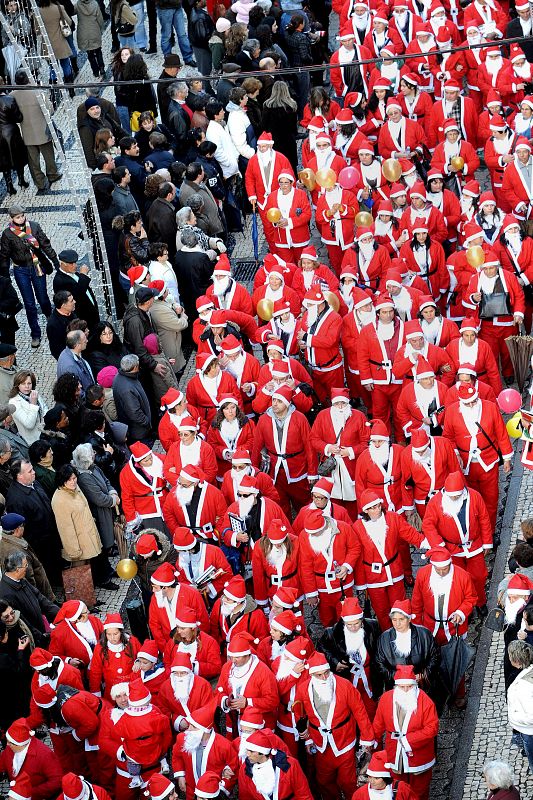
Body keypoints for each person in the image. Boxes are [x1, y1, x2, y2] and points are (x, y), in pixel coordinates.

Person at [373, 665, 439, 800]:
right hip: (394, 753)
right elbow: (378, 724)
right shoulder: (386, 699)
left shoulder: (425, 701)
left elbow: (432, 728)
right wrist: (373, 742)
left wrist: (409, 740)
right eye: (402, 687)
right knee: (397, 788)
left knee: (419, 791)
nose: (406, 690)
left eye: (409, 687)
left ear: (415, 685)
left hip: (419, 754)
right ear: (396, 687)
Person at [0, 205, 57, 349]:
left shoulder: (34, 227)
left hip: (37, 266)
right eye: (18, 217)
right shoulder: (8, 234)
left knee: (43, 298)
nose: (21, 218)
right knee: (29, 303)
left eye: (22, 215)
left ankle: (50, 318)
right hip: (21, 270)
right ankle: (35, 333)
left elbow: (45, 245)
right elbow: (4, 256)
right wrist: (5, 275)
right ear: (12, 218)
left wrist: (55, 261)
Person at [51, 463, 116, 590]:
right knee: (80, 576)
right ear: (62, 480)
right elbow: (66, 529)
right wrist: (74, 551)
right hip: (79, 544)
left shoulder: (75, 488)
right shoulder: (59, 500)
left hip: (88, 537)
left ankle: (91, 597)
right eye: (69, 479)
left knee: (89, 569)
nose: (73, 482)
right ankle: (85, 602)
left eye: (74, 478)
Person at [5, 459, 61, 584]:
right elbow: (22, 529)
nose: (34, 472)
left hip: (51, 538)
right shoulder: (15, 499)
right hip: (40, 545)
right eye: (30, 471)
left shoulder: (35, 483)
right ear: (19, 475)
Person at [11, 71, 62, 196]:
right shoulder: (37, 92)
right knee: (49, 156)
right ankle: (53, 174)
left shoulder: (12, 95)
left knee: (33, 161)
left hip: (26, 134)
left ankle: (39, 182)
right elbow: (50, 110)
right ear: (28, 79)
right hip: (43, 131)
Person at [0, 551, 59, 643]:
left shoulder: (21, 580)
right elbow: (22, 621)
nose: (27, 568)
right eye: (25, 565)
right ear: (17, 569)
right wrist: (40, 637)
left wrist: (60, 613)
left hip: (41, 629)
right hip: (34, 638)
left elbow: (41, 599)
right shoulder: (5, 593)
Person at [72, 443, 120, 554]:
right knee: (105, 530)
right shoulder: (84, 478)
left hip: (107, 504)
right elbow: (99, 499)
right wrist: (114, 500)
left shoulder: (93, 467)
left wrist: (113, 492)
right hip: (100, 511)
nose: (94, 454)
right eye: (92, 453)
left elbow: (106, 481)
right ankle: (108, 548)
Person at [0, 718, 62, 798]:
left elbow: (57, 781)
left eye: (10, 742)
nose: (7, 744)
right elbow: (2, 763)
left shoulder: (44, 754)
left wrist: (31, 792)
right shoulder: (10, 748)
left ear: (20, 744)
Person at [0, 512, 55, 602]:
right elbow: (29, 577)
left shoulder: (6, 542)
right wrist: (37, 599)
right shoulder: (18, 551)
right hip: (39, 595)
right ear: (17, 529)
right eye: (23, 525)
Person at [52, 249, 100, 330]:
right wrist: (83, 275)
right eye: (71, 263)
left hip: (91, 312)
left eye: (75, 263)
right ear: (63, 264)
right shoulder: (59, 281)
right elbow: (78, 295)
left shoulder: (72, 272)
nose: (75, 266)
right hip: (83, 317)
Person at [113, 354, 153, 445]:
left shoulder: (119, 377)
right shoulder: (127, 389)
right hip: (138, 432)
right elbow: (134, 413)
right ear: (135, 367)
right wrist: (146, 422)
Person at [262, 82, 299, 174]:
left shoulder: (267, 106)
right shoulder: (292, 106)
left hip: (274, 142)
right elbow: (294, 127)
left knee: (276, 168)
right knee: (290, 167)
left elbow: (264, 126)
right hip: (288, 141)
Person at [56, 331, 95, 397]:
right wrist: (91, 397)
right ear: (77, 345)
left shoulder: (66, 352)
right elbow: (76, 391)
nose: (87, 341)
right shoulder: (70, 366)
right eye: (84, 340)